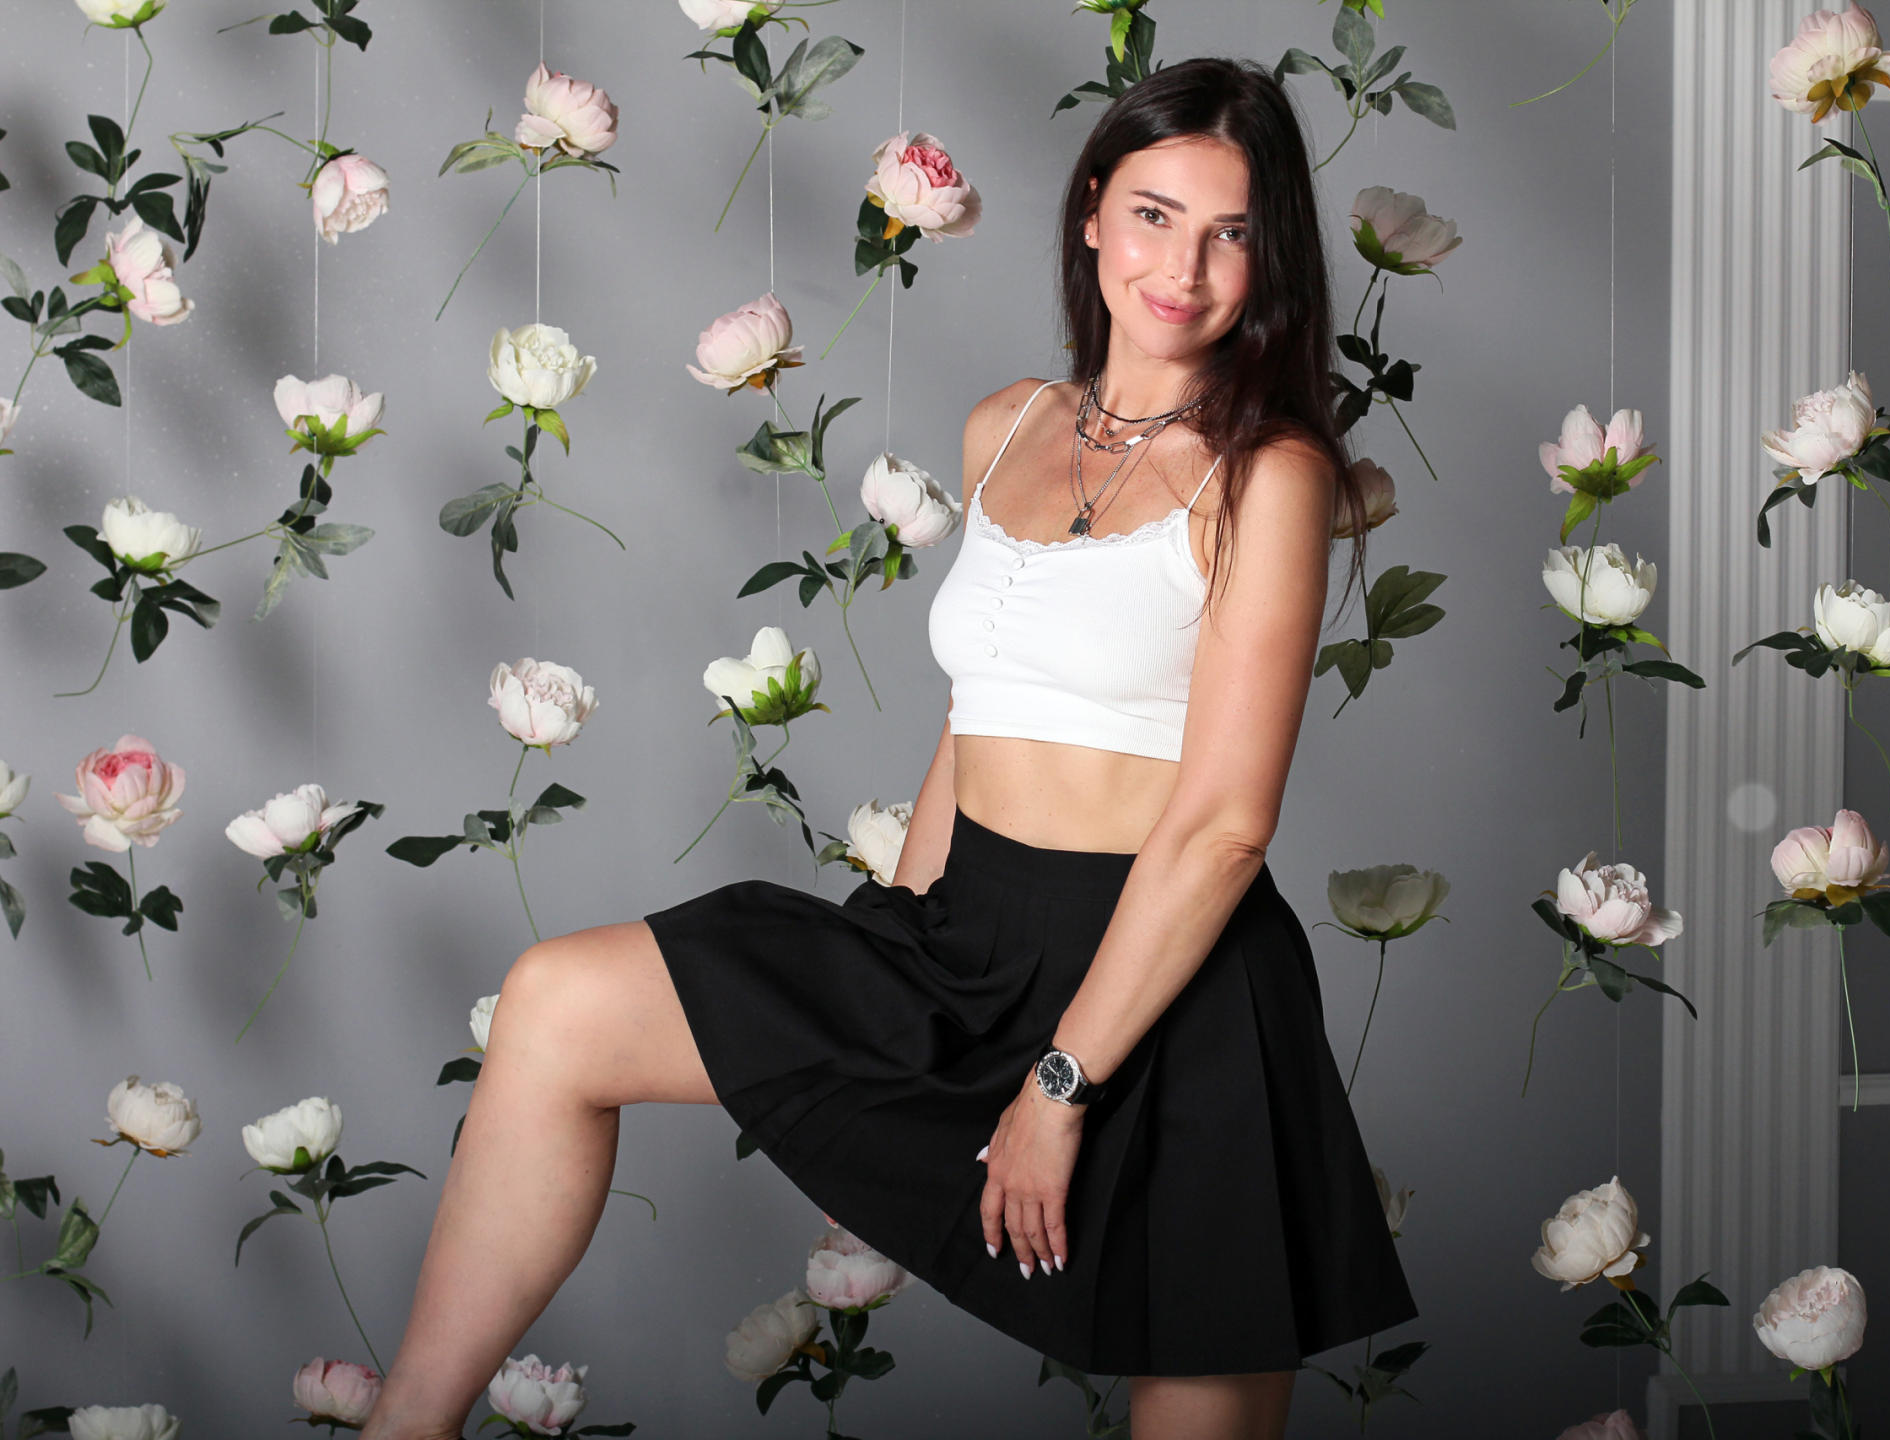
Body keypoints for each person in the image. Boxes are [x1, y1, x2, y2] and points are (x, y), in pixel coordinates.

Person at [360, 55, 1413, 1440]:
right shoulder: (1007, 425)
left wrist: (1059, 1084)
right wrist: (886, 973)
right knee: (558, 1006)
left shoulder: (1270, 476)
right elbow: (978, 716)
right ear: (1093, 211)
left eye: (1232, 235)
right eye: (1155, 216)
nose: (1184, 268)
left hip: (1173, 985)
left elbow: (1224, 827)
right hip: (967, 937)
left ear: (1269, 262)